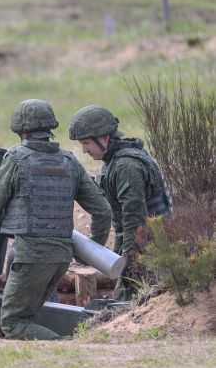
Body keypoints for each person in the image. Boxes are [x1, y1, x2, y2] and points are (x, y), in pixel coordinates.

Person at [0, 99, 112, 340]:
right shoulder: (70, 161)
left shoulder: (16, 158)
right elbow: (103, 210)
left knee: (13, 324)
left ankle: (65, 347)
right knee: (29, 316)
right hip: (61, 258)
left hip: (31, 257)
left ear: (21, 130)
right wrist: (92, 247)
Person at [68, 105, 173, 301]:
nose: (84, 150)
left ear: (105, 138)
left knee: (131, 302)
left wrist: (130, 263)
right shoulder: (116, 161)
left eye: (87, 143)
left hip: (147, 248)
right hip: (142, 245)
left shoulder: (126, 166)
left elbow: (136, 221)